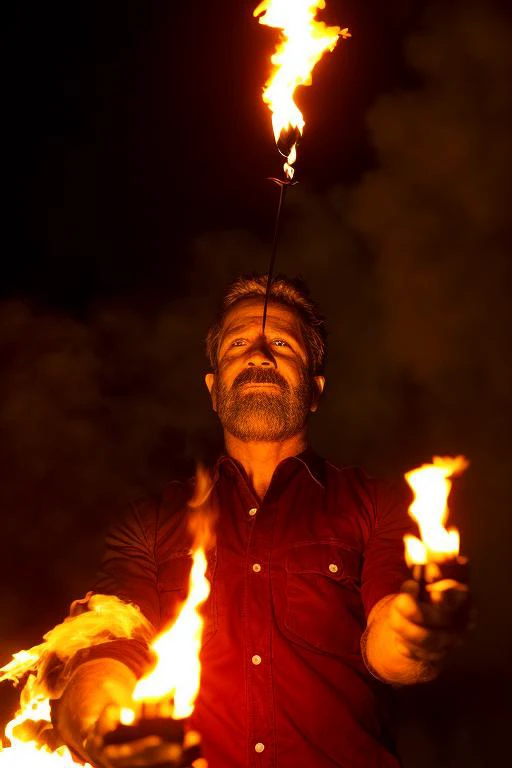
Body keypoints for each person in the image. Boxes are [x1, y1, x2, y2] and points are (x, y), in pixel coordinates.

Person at [54, 275, 471, 768]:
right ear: (213, 389)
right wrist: (105, 731)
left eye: (280, 343)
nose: (258, 355)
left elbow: (389, 649)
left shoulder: (375, 503)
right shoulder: (150, 523)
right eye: (237, 343)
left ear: (314, 389)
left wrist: (415, 631)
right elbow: (105, 649)